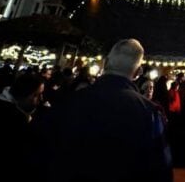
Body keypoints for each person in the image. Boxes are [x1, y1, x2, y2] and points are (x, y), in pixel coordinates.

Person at [46, 39, 172, 182]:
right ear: (138, 71)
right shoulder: (150, 113)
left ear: (105, 63)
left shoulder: (69, 101)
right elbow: (161, 167)